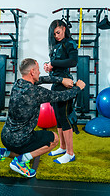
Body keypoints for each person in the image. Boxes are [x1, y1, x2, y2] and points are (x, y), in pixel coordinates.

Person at [0, 58, 85, 178]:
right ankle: (20, 162)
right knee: (53, 138)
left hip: (6, 136)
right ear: (32, 72)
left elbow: (43, 79)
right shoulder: (35, 92)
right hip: (20, 140)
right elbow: (62, 96)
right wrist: (78, 87)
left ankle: (0, 152)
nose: (39, 73)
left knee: (23, 147)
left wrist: (61, 79)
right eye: (38, 70)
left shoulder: (18, 83)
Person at [44, 19, 79, 164]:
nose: (56, 36)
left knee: (64, 118)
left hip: (65, 84)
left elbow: (73, 61)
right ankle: (63, 147)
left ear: (63, 28)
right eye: (54, 34)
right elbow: (56, 64)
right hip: (56, 84)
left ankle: (70, 153)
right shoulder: (57, 45)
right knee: (58, 117)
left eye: (58, 32)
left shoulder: (69, 43)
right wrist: (48, 66)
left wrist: (54, 63)